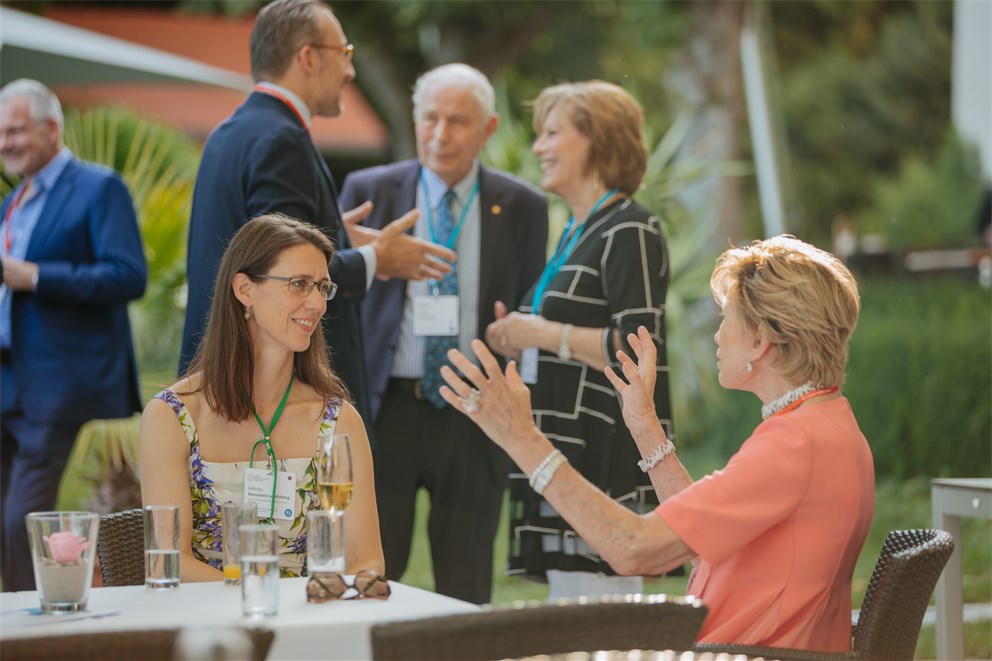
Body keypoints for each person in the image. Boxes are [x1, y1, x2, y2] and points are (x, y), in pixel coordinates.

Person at [440, 236, 875, 651]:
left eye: (727, 319)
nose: (718, 336)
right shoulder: (827, 423)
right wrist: (645, 425)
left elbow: (635, 549)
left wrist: (523, 439)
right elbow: (700, 535)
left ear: (761, 341)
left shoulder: (794, 444)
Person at [179, 0, 455, 426]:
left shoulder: (229, 132)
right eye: (344, 54)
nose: (351, 71)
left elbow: (249, 242)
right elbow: (286, 278)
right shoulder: (281, 141)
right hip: (261, 389)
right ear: (308, 57)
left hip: (224, 369)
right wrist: (377, 259)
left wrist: (335, 237)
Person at [338, 63, 548, 604]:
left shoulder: (524, 206)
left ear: (488, 128)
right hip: (388, 412)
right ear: (414, 120)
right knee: (373, 576)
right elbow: (335, 292)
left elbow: (529, 304)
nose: (440, 134)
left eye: (458, 121)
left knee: (466, 580)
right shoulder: (369, 190)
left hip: (474, 412)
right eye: (430, 118)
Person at [484, 80, 673, 599]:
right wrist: (521, 338)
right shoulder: (577, 229)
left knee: (601, 627)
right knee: (573, 621)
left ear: (597, 140)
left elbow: (639, 346)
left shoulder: (629, 227)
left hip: (603, 456)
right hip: (568, 450)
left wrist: (541, 332)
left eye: (551, 133)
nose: (539, 146)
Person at [141, 213, 383, 580]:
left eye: (322, 287)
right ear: (244, 290)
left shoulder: (338, 421)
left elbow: (365, 561)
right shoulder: (171, 416)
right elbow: (166, 561)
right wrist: (260, 597)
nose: (317, 304)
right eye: (300, 284)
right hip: (206, 628)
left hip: (309, 624)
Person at [0, 79, 147, 591]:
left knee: (22, 522)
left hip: (58, 388)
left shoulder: (98, 187)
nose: (6, 144)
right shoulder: (15, 201)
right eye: (0, 134)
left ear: (52, 127)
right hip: (8, 381)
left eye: (16, 130)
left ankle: (30, 637)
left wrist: (36, 275)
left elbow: (129, 276)